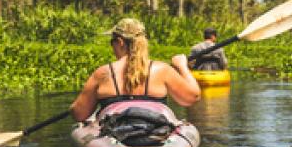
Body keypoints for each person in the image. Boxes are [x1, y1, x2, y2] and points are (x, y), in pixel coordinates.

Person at [70, 18, 200, 121]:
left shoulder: (103, 73)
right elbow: (192, 97)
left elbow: (79, 114)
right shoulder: (162, 70)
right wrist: (182, 66)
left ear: (120, 42)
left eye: (112, 42)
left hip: (114, 138)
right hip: (154, 136)